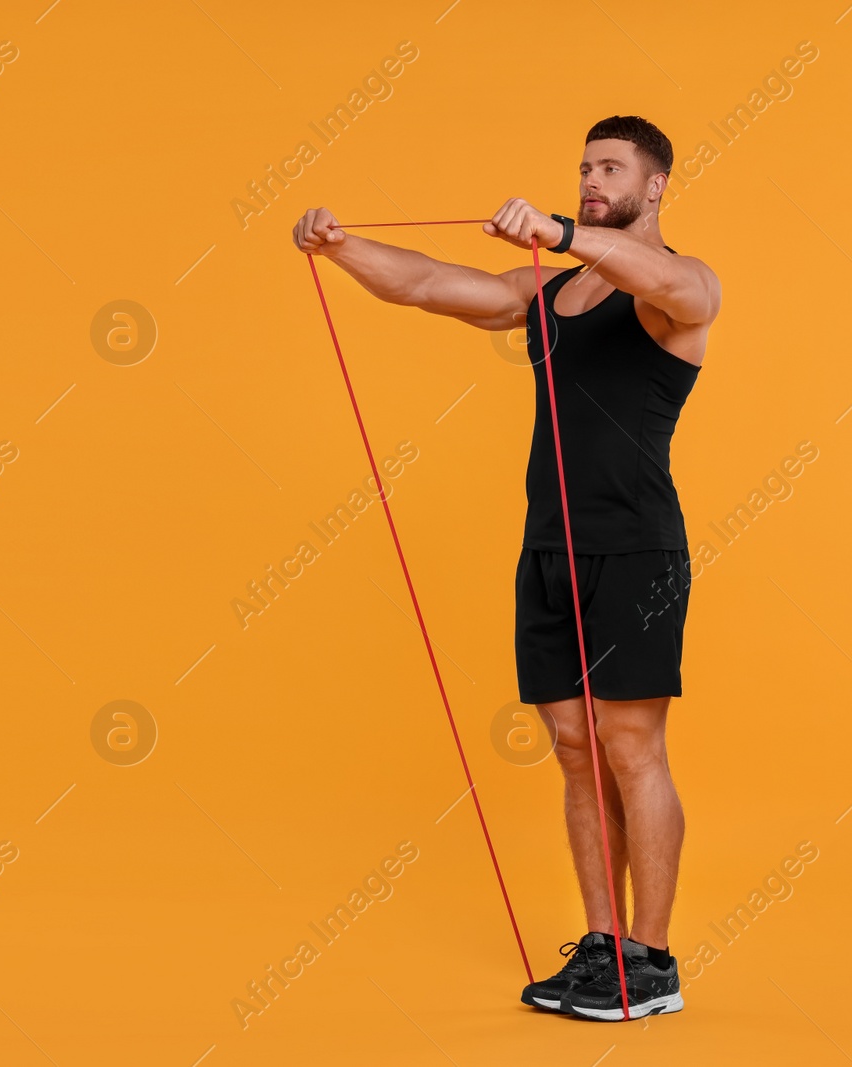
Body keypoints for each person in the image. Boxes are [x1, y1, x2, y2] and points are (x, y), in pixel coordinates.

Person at [291, 116, 719, 1021]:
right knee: (573, 750)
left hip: (639, 547)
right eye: (585, 167)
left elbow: (681, 286)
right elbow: (428, 285)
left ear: (657, 185)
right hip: (548, 551)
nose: (593, 178)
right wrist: (340, 248)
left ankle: (654, 960)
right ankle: (603, 951)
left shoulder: (671, 289)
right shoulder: (548, 295)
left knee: (631, 746)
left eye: (612, 168)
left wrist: (564, 233)